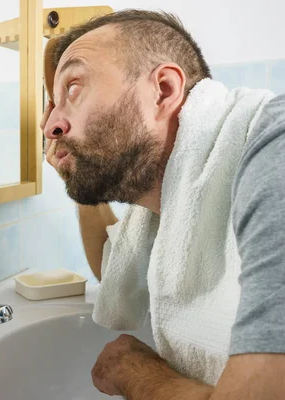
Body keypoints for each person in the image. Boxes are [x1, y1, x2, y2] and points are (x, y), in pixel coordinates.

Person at [42, 9, 285, 399]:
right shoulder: (175, 195)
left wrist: (137, 374)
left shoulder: (275, 148)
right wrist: (80, 176)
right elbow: (116, 264)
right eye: (52, 105)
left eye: (72, 88)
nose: (49, 124)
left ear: (165, 90)